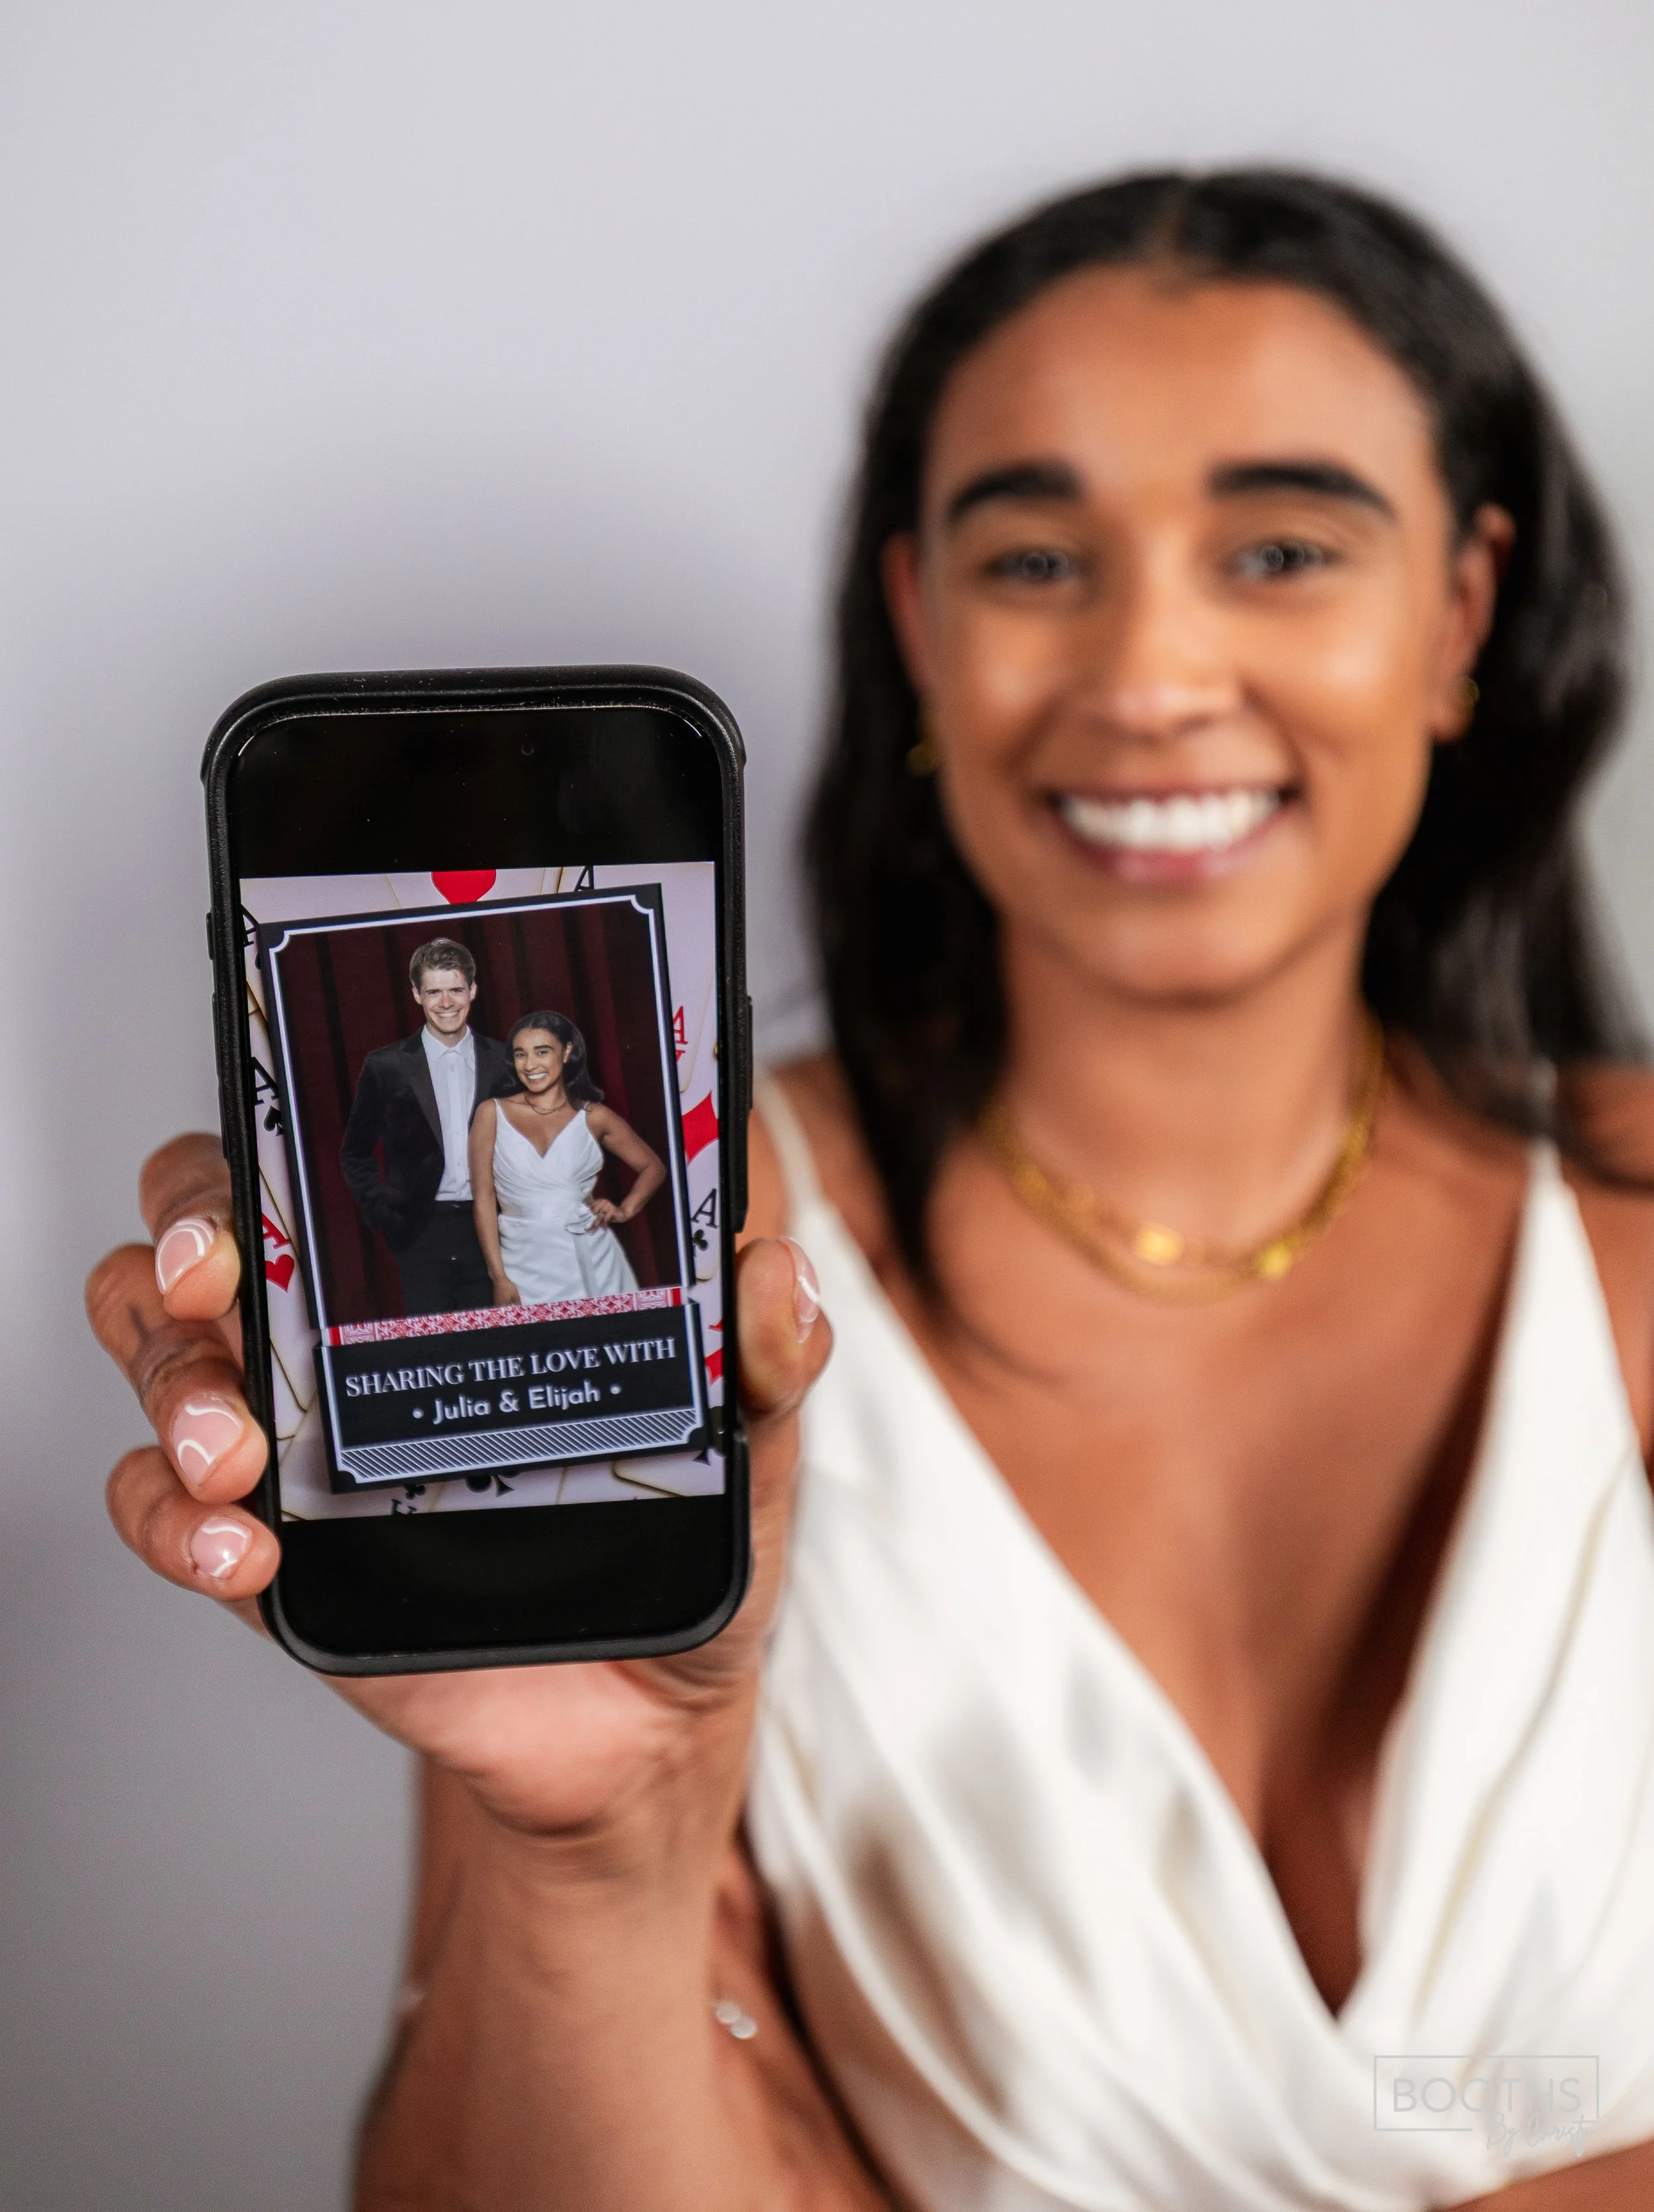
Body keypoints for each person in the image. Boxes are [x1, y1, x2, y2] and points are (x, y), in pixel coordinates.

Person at [88, 167, 1654, 2211]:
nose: (1151, 665)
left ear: (1455, 614)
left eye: (1276, 545)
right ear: (917, 624)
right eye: (1032, 557)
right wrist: (591, 1856)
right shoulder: (716, 1293)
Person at [338, 937, 513, 1317]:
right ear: (417, 994)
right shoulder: (386, 1065)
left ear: (474, 990)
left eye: (456, 990)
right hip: (419, 1229)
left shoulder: (503, 1061)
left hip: (491, 1228)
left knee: (494, 1343)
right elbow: (355, 1152)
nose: (446, 1002)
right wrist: (386, 1216)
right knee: (429, 1351)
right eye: (434, 991)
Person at [468, 1009, 666, 1304]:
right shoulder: (491, 1113)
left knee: (605, 1345)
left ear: (566, 1052)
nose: (531, 1065)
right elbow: (483, 1198)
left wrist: (624, 1210)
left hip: (593, 1256)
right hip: (522, 1261)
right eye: (521, 1055)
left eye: (542, 1052)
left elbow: (653, 1167)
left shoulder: (594, 1116)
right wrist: (499, 1277)